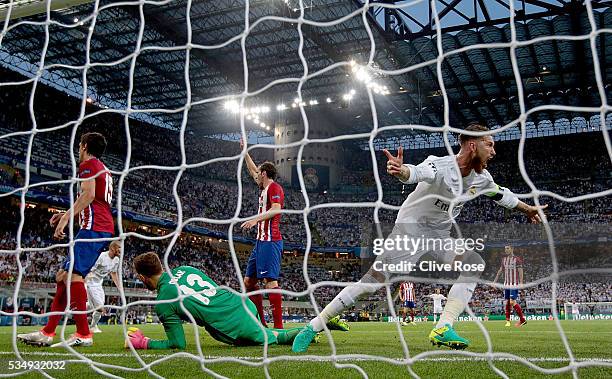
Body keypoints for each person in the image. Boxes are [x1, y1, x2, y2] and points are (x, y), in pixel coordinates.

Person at [292, 123, 547, 352]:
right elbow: (417, 173)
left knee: (474, 262)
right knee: (370, 284)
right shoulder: (441, 165)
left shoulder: (482, 179)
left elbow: (504, 196)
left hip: (439, 237)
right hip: (409, 232)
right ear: (473, 144)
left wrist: (528, 210)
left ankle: (443, 327)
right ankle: (313, 326)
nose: (493, 151)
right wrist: (401, 170)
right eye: (489, 144)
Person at [18, 132, 114, 347]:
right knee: (62, 276)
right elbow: (94, 201)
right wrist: (65, 214)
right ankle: (48, 332)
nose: (78, 149)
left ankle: (83, 333)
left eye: (79, 144)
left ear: (84, 146)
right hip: (97, 226)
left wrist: (66, 219)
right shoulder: (103, 168)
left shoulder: (88, 165)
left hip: (94, 228)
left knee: (74, 276)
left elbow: (88, 195)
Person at [125, 252, 301, 350]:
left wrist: (143, 342)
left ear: (142, 277)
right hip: (243, 302)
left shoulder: (163, 301)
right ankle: (315, 327)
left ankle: (319, 325)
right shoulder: (185, 268)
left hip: (235, 325)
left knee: (278, 338)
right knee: (273, 334)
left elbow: (178, 344)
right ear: (160, 267)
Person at [239, 139, 285, 329]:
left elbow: (276, 209)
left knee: (270, 282)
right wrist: (245, 153)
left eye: (259, 173)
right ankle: (262, 324)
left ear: (264, 174)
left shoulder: (274, 188)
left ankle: (279, 327)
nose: (256, 175)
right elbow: (251, 170)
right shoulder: (264, 187)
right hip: (260, 242)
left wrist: (255, 219)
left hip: (270, 241)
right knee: (249, 282)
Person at [86, 240, 122, 333]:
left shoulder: (116, 260)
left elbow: (113, 273)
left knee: (93, 306)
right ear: (112, 248)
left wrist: (119, 287)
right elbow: (90, 269)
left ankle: (76, 307)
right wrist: (85, 282)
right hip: (91, 282)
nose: (121, 250)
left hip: (99, 283)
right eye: (119, 248)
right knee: (100, 308)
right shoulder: (101, 256)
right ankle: (93, 327)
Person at [493, 245, 526, 327]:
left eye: (507, 248)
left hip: (514, 284)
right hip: (506, 284)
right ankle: (508, 321)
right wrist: (494, 281)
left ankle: (522, 320)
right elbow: (500, 270)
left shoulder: (517, 259)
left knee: (511, 301)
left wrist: (521, 282)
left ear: (512, 249)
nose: (506, 250)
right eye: (505, 248)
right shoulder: (504, 259)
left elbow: (520, 271)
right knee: (508, 302)